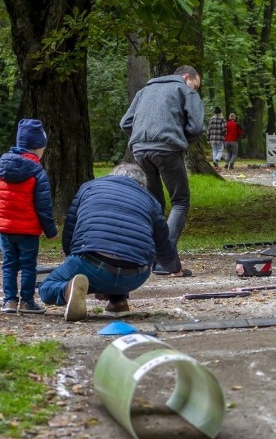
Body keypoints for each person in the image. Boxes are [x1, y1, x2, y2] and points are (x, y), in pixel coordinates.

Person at [38, 164, 187, 322]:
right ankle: (118, 302)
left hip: (91, 263)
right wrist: (175, 268)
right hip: (135, 275)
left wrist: (75, 263)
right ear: (142, 185)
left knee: (46, 288)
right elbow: (163, 245)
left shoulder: (88, 188)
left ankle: (68, 290)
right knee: (124, 250)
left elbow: (70, 230)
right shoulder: (151, 201)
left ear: (112, 175)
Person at [120, 65, 205, 250]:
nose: (195, 89)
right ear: (186, 77)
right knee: (180, 201)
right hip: (168, 148)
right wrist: (181, 139)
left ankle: (146, 250)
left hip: (140, 150)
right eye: (195, 85)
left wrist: (141, 137)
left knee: (153, 202)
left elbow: (125, 122)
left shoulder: (144, 91)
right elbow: (197, 127)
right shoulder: (185, 91)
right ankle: (165, 255)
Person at [0, 119, 58, 314]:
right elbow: (43, 206)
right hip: (28, 230)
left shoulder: (2, 166)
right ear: (38, 147)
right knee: (28, 266)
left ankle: (9, 301)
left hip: (5, 228)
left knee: (9, 264)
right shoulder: (37, 171)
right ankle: (26, 301)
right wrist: (51, 231)